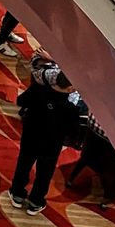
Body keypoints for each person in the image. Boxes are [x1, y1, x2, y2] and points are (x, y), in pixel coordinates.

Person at [9, 64, 83, 214]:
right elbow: (73, 132)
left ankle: (17, 193)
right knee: (44, 173)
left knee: (24, 163)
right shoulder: (71, 109)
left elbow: (20, 101)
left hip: (30, 136)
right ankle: (36, 202)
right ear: (69, 89)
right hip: (51, 145)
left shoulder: (38, 89)